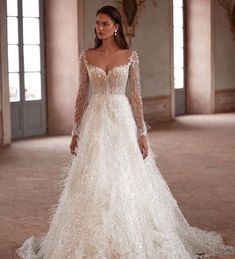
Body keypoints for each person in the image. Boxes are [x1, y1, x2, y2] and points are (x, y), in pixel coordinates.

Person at [16, 5, 235, 259]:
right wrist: (75, 131)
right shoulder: (87, 55)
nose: (99, 28)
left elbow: (136, 96)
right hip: (96, 120)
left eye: (105, 24)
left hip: (121, 119)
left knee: (125, 173)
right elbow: (81, 95)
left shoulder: (130, 55)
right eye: (97, 23)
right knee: (94, 174)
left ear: (117, 27)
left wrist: (142, 133)